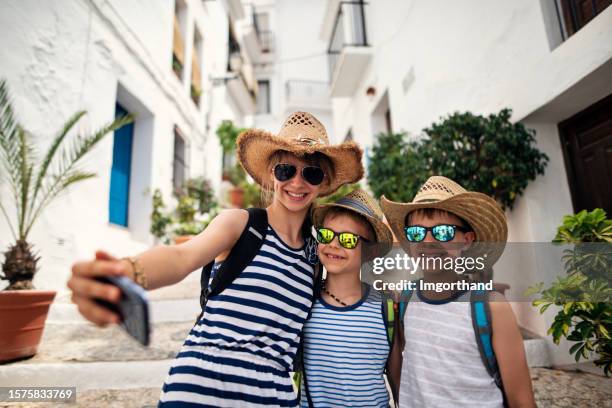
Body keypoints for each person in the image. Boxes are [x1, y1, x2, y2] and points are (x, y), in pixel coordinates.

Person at [68, 111, 363, 407]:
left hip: (273, 396)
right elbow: (182, 256)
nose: (297, 182)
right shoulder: (240, 224)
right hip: (203, 387)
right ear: (272, 173)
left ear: (323, 182)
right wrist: (127, 272)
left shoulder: (316, 255)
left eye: (311, 173)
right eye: (286, 170)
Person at [381, 176, 536, 408]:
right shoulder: (406, 300)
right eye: (416, 233)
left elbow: (522, 401)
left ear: (467, 240)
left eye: (443, 232)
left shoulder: (492, 307)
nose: (428, 242)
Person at [299, 189, 400, 407]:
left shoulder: (387, 307)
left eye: (347, 239)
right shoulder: (304, 302)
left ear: (370, 251)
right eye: (326, 235)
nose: (334, 244)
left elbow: (398, 381)